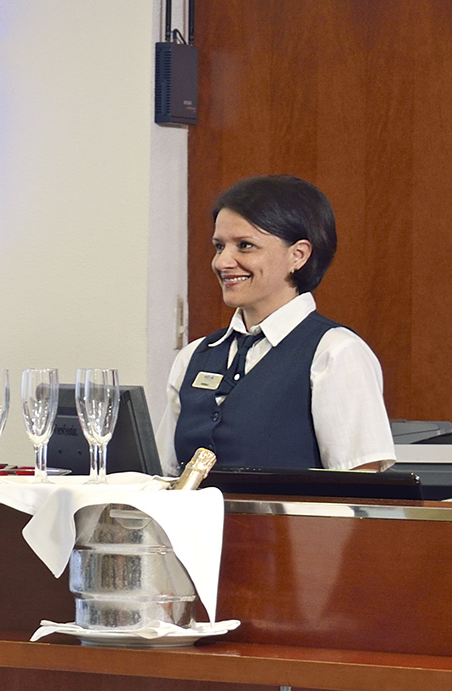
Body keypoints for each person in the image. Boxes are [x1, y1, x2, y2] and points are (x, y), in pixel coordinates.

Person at [167, 175, 391, 472]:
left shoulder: (335, 353)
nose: (222, 262)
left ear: (298, 255)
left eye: (245, 245)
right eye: (220, 246)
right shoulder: (193, 356)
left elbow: (358, 495)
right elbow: (164, 476)